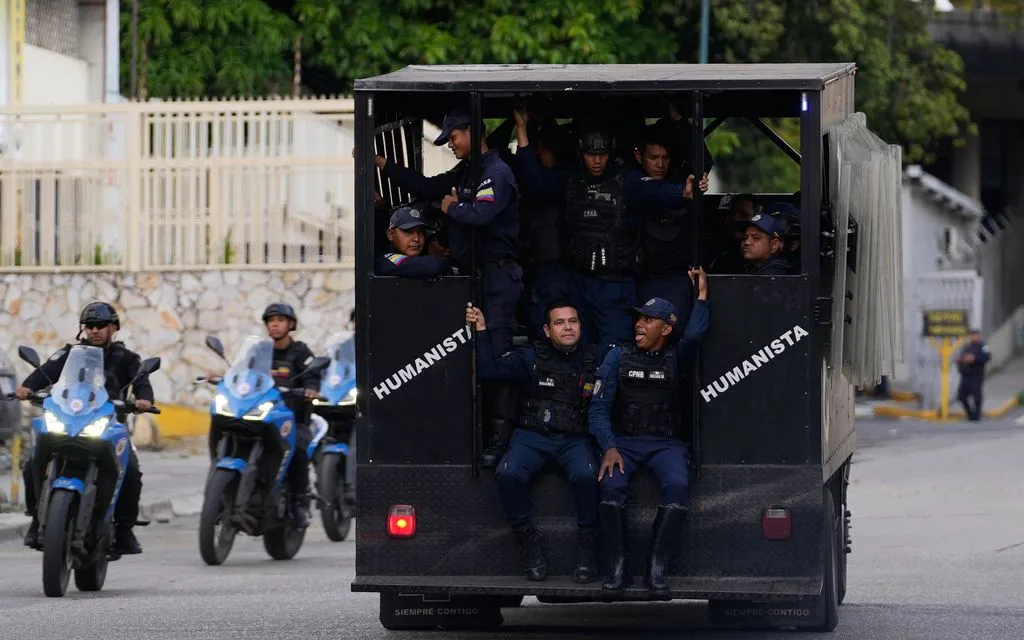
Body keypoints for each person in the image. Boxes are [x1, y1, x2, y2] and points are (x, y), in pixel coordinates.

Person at [514, 113, 698, 345]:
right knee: (580, 350)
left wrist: (683, 192)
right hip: (578, 283)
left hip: (616, 286)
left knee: (616, 350)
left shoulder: (627, 182)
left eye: (602, 154)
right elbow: (534, 181)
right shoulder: (569, 181)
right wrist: (521, 129)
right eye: (592, 154)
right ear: (581, 153)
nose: (597, 160)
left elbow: (656, 191)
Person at [589, 270, 710, 595]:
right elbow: (598, 407)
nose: (639, 325)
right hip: (624, 443)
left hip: (665, 444)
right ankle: (617, 570)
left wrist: (700, 298)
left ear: (667, 328)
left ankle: (656, 570)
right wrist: (608, 447)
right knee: (611, 487)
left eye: (648, 320)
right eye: (638, 319)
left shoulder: (676, 357)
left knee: (678, 484)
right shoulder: (618, 356)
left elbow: (696, 336)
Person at [466, 299, 602, 584]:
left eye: (573, 321)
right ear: (546, 329)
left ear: (581, 326)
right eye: (559, 322)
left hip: (574, 439)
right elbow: (490, 371)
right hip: (534, 437)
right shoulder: (531, 356)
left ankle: (588, 548)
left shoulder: (596, 357)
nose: (567, 327)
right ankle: (528, 542)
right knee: (508, 474)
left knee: (589, 475)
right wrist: (480, 330)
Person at [375, 107, 523, 357]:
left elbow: (481, 215)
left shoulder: (495, 172)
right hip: (475, 277)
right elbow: (426, 186)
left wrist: (453, 207)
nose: (451, 145)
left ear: (472, 132)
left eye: (453, 138)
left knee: (496, 354)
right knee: (470, 356)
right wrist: (381, 163)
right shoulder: (466, 171)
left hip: (498, 278)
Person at [15, 302, 153, 554]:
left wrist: (144, 400)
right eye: (89, 326)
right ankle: (37, 519)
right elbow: (45, 373)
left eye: (100, 325)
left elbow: (142, 383)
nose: (94, 330)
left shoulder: (128, 359)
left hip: (109, 425)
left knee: (131, 471)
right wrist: (27, 387)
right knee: (30, 465)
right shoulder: (70, 353)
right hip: (69, 420)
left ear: (114, 327)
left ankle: (124, 530)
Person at [208, 303, 320, 528]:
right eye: (271, 321)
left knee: (297, 448)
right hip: (259, 412)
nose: (275, 324)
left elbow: (312, 376)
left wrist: (310, 389)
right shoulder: (258, 351)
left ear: (290, 324)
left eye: (280, 320)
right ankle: (219, 496)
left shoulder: (301, 352)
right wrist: (224, 377)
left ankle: (299, 501)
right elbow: (241, 373)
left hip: (291, 418)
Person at [633, 125, 710, 325]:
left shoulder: (679, 179)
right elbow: (651, 190)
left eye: (665, 158)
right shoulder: (634, 182)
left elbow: (704, 161)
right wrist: (681, 193)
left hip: (677, 275)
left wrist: (678, 120)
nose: (660, 164)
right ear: (638, 156)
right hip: (643, 276)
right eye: (653, 158)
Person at [375, 204, 450, 277]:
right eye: (408, 232)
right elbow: (434, 265)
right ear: (390, 234)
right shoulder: (385, 261)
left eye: (420, 232)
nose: (416, 239)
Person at [956, 329, 991, 421]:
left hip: (976, 375)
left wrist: (974, 358)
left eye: (975, 335)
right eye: (972, 335)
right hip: (966, 375)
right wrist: (961, 361)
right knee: (961, 396)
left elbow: (988, 357)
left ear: (979, 336)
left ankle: (976, 415)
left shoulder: (984, 346)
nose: (974, 337)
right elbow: (960, 358)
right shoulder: (967, 347)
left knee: (976, 397)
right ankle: (970, 414)